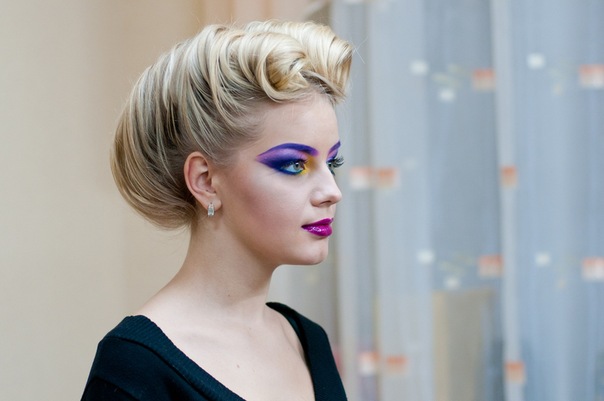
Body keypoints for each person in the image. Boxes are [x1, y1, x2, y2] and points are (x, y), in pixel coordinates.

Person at [81, 19, 352, 401]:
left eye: (332, 163)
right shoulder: (134, 368)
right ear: (206, 181)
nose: (332, 192)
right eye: (295, 165)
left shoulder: (309, 341)